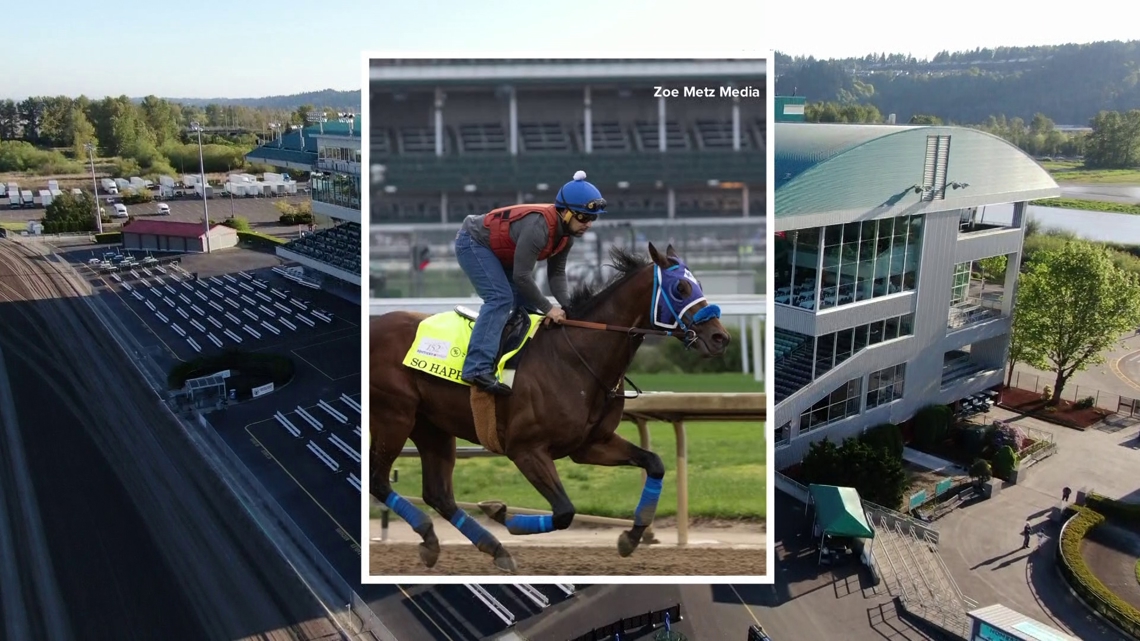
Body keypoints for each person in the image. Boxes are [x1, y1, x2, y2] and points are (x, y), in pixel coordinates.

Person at [453, 170, 604, 396]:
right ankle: (476, 367)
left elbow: (557, 275)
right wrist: (549, 308)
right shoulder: (538, 229)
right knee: (500, 299)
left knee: (527, 307)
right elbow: (522, 277)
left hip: (500, 253)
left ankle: (513, 362)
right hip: (474, 243)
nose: (588, 224)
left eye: (592, 218)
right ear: (565, 213)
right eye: (583, 217)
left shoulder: (566, 238)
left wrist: (570, 307)